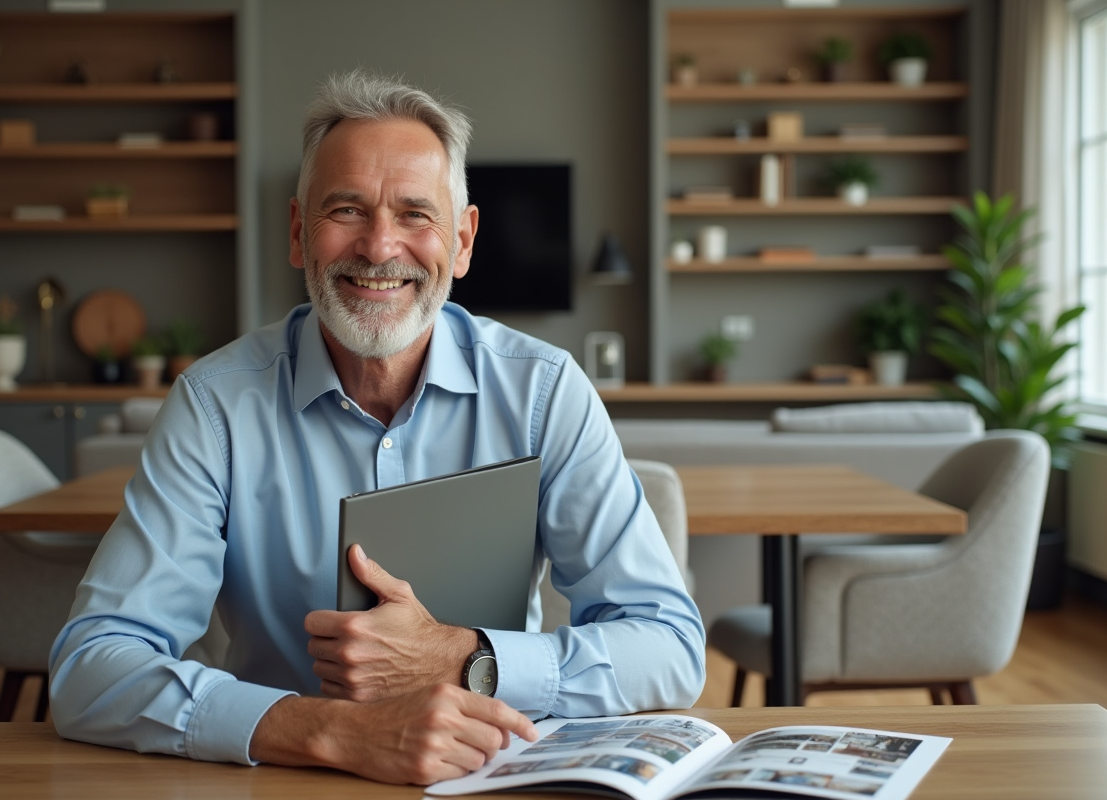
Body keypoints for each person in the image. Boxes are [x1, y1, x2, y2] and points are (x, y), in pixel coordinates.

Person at [49, 71, 705, 785]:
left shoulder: (544, 392)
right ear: (300, 233)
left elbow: (669, 648)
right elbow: (91, 667)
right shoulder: (215, 406)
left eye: (416, 214)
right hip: (286, 776)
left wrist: (466, 659)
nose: (380, 245)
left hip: (501, 774)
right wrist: (332, 730)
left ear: (462, 241)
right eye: (346, 210)